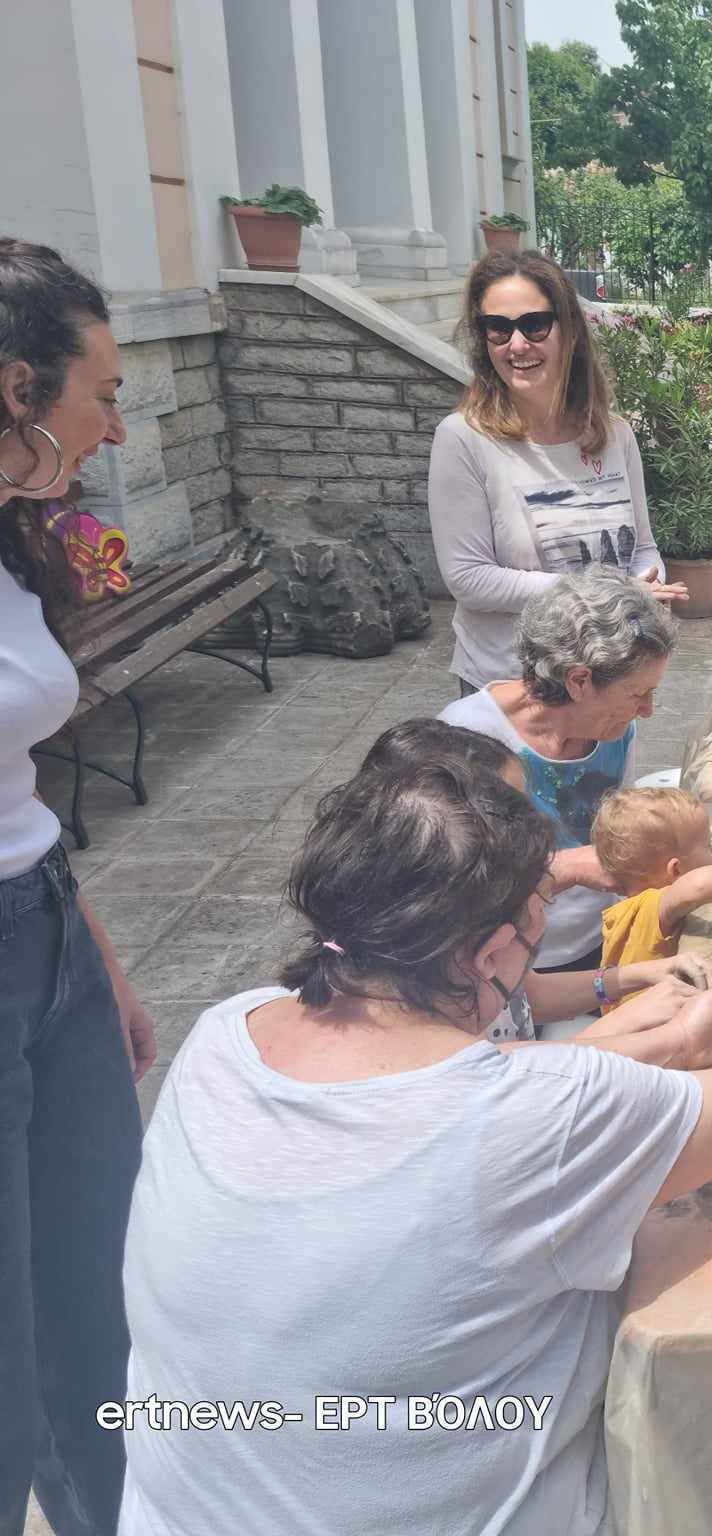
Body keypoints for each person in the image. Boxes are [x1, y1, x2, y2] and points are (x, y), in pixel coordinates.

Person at [118, 746, 712, 1536]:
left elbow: (422, 1083)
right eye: (534, 929)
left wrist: (651, 1044)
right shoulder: (537, 1118)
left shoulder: (228, 1030)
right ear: (490, 954)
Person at [0, 238, 150, 1536]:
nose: (113, 422)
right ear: (16, 390)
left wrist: (88, 942)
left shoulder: (16, 533)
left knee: (104, 1299)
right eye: (99, 393)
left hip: (41, 925)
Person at [363, 720, 712, 1044]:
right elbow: (506, 1080)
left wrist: (638, 974)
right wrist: (636, 1026)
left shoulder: (473, 924)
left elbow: (528, 997)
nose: (531, 823)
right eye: (514, 811)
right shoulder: (411, 985)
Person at [428, 249, 683, 696]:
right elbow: (468, 578)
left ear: (569, 332)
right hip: (512, 688)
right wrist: (606, 593)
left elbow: (642, 547)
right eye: (498, 328)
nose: (517, 344)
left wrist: (646, 585)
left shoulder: (613, 434)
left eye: (534, 325)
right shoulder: (464, 439)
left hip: (608, 682)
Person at [440, 567, 674, 974]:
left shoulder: (616, 730)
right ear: (579, 681)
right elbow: (447, 881)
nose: (648, 711)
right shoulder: (468, 736)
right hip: (502, 966)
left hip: (602, 941)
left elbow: (617, 828)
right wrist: (563, 867)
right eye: (637, 694)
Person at [591, 786, 712, 982]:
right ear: (676, 870)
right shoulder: (646, 910)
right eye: (708, 846)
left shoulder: (636, 909)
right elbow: (700, 885)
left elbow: (697, 892)